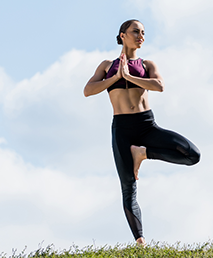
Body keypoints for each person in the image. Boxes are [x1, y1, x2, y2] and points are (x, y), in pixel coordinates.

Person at [83, 19, 200, 246]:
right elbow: (88, 90)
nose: (141, 36)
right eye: (135, 31)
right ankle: (140, 241)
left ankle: (144, 153)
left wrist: (129, 77)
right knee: (128, 188)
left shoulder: (147, 64)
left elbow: (159, 85)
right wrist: (115, 77)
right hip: (122, 130)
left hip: (147, 126)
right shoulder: (107, 66)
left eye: (143, 32)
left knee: (192, 155)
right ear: (122, 35)